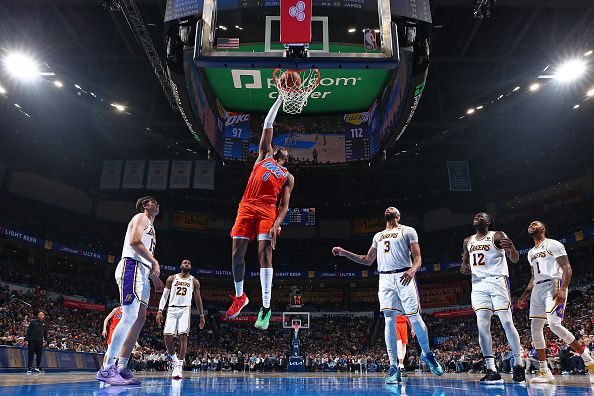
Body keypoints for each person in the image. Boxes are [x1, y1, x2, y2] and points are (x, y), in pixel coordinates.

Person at [332, 207, 444, 385]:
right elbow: (367, 260)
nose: (389, 208)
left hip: (404, 276)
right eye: (387, 208)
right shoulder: (378, 236)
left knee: (414, 317)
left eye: (393, 209)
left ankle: (427, 354)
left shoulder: (408, 230)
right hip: (384, 278)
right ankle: (393, 368)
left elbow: (418, 258)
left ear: (398, 216)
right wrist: (344, 252)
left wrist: (412, 270)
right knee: (389, 320)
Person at [227, 96, 295, 331]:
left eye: (283, 150)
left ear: (286, 158)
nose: (280, 147)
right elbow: (268, 123)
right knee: (237, 255)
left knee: (264, 254)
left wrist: (277, 224)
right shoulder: (264, 156)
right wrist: (280, 99)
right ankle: (240, 297)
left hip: (268, 211)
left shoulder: (288, 176)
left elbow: (285, 205)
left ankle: (265, 307)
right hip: (246, 205)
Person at [96, 196, 164, 385]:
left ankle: (122, 367)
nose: (157, 203)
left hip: (143, 272)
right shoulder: (141, 217)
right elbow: (134, 242)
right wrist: (155, 262)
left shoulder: (152, 226)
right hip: (132, 267)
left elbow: (144, 250)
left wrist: (155, 277)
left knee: (140, 318)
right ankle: (107, 368)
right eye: (153, 201)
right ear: (145, 205)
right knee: (129, 315)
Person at [518, 220, 594, 383]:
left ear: (543, 229)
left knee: (554, 325)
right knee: (535, 329)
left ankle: (589, 362)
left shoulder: (553, 244)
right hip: (537, 289)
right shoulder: (531, 252)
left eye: (535, 224)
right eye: (529, 224)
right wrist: (525, 294)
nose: (530, 225)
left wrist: (563, 288)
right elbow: (533, 276)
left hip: (553, 284)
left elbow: (567, 267)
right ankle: (545, 371)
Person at [460, 212, 525, 383]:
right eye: (475, 215)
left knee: (507, 322)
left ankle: (519, 364)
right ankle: (491, 369)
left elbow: (515, 259)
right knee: (482, 325)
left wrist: (511, 248)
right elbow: (464, 265)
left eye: (481, 216)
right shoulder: (468, 241)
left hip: (497, 281)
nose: (476, 216)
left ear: (488, 222)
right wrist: (464, 268)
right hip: (478, 284)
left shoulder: (497, 235)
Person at [156, 259, 206, 379]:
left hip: (185, 309)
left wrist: (201, 315)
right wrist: (159, 311)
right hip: (172, 309)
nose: (187, 264)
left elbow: (198, 299)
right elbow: (164, 296)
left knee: (183, 336)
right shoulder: (171, 278)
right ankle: (174, 360)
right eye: (185, 262)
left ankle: (179, 365)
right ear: (180, 265)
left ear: (191, 266)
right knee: (167, 336)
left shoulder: (194, 281)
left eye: (189, 263)